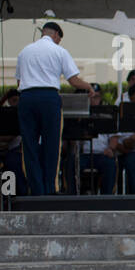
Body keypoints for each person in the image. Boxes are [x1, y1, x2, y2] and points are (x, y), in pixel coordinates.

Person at [14, 21, 90, 195]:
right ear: (56, 35)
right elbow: (73, 80)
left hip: (27, 98)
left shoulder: (24, 51)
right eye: (59, 39)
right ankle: (50, 188)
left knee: (29, 145)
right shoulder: (59, 51)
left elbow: (19, 82)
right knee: (52, 144)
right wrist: (89, 87)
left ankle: (36, 189)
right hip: (48, 98)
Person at [64, 84, 118, 194]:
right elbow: (71, 140)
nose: (93, 100)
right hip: (83, 154)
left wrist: (110, 149)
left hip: (102, 154)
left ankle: (106, 198)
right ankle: (72, 196)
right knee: (71, 163)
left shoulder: (106, 115)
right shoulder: (78, 114)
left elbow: (114, 137)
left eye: (96, 97)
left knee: (110, 164)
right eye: (91, 97)